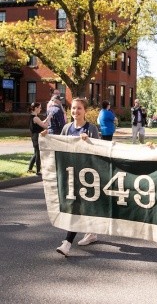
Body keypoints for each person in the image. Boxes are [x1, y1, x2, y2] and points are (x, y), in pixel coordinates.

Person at [45, 97, 100, 257]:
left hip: (88, 175)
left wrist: (88, 142)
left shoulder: (91, 129)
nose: (76, 111)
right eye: (74, 108)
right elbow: (59, 146)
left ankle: (67, 242)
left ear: (85, 111)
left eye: (79, 108)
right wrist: (45, 137)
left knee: (77, 206)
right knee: (80, 206)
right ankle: (92, 232)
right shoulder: (67, 128)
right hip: (70, 173)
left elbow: (99, 150)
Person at [27, 102, 51, 176]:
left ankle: (30, 169)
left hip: (34, 136)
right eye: (40, 107)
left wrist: (46, 119)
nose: (40, 109)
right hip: (37, 137)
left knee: (35, 153)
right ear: (36, 108)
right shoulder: (36, 118)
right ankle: (38, 171)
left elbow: (40, 123)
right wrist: (49, 119)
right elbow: (44, 126)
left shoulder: (33, 117)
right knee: (38, 154)